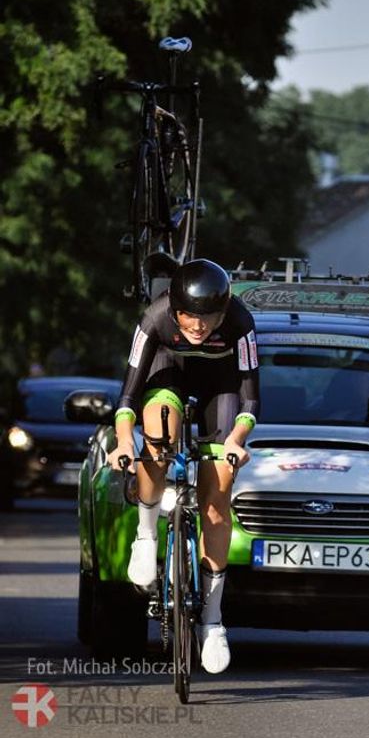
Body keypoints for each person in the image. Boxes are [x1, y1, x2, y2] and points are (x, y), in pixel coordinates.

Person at [108, 259, 259, 675]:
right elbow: (127, 397)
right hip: (166, 374)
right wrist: (124, 441)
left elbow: (249, 402)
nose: (198, 325)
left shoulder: (241, 323)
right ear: (174, 309)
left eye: (208, 317)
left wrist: (236, 441)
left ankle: (212, 620)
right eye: (189, 315)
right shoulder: (155, 318)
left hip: (220, 385)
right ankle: (145, 536)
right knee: (156, 433)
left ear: (223, 312)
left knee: (217, 499)